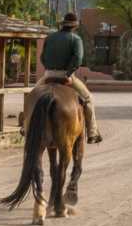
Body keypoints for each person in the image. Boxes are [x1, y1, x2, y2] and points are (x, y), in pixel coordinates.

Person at [39, 12, 103, 144]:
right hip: (66, 76)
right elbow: (78, 59)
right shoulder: (76, 39)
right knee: (88, 98)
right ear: (74, 26)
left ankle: (26, 126)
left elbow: (42, 57)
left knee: (32, 96)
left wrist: (49, 70)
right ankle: (92, 133)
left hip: (48, 74)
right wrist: (68, 74)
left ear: (63, 24)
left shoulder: (49, 38)